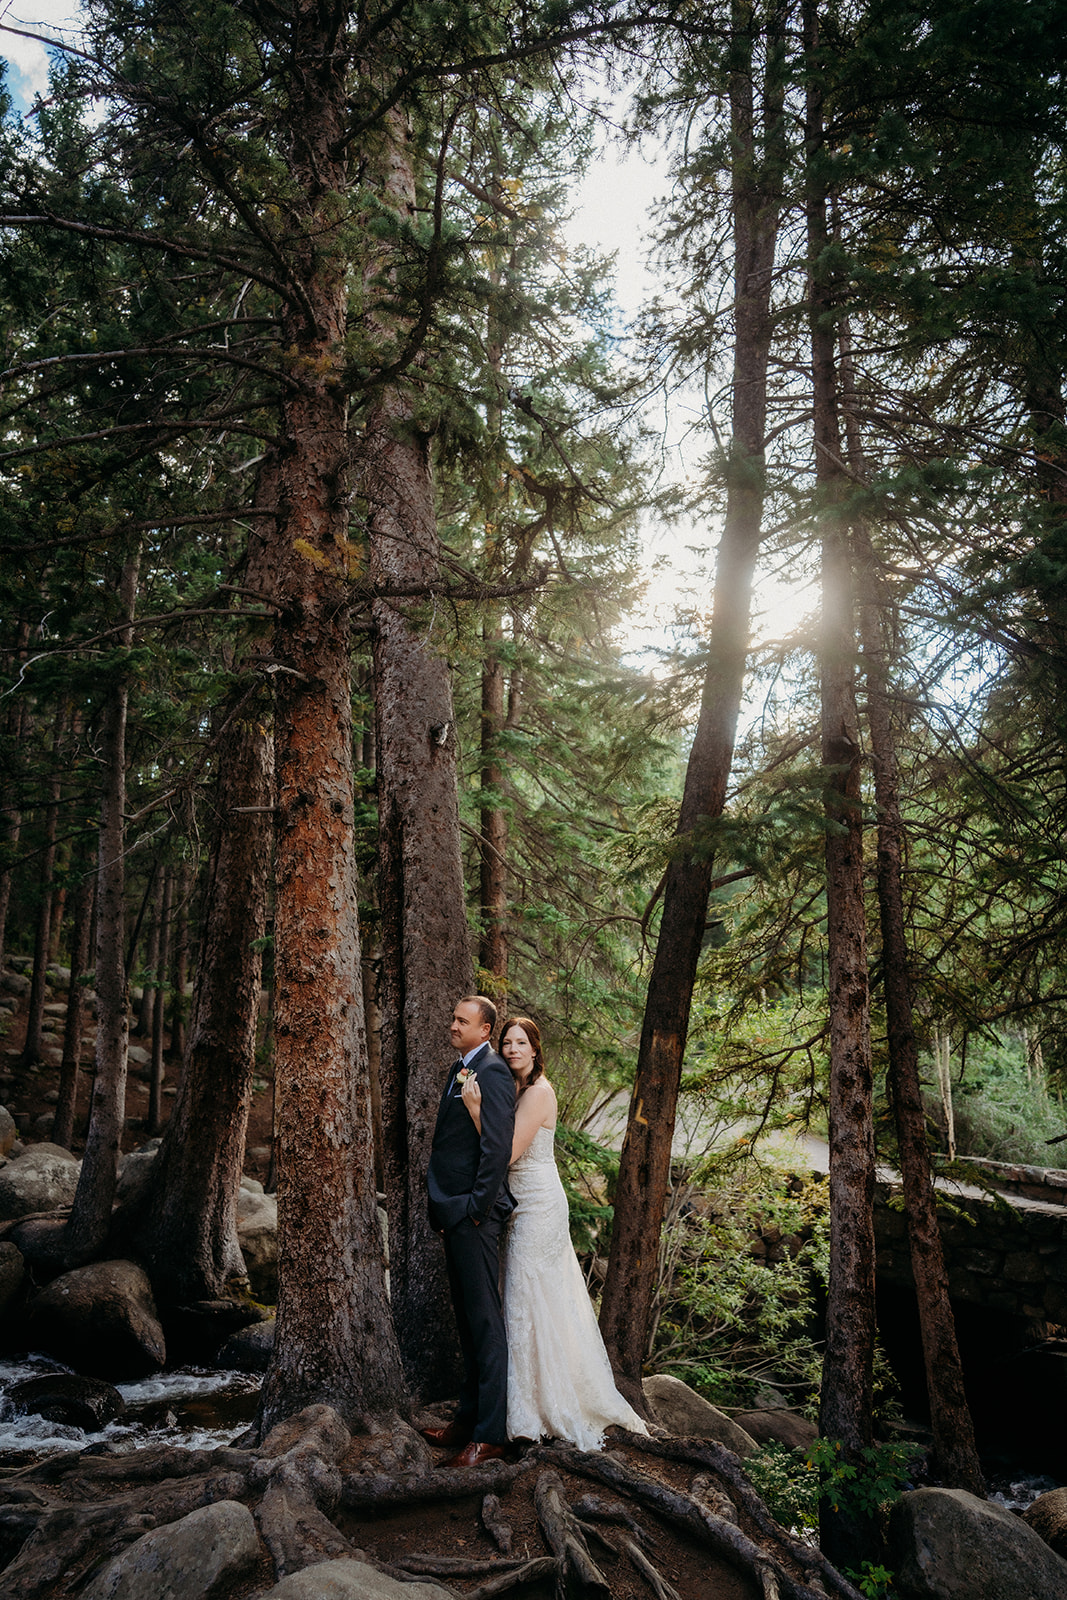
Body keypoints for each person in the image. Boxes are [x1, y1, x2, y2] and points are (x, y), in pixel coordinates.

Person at [462, 1015, 648, 1451]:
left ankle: (533, 1409)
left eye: (520, 1043)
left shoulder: (539, 1094)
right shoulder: (517, 1088)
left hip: (540, 1206)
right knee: (530, 1299)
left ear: (535, 1048)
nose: (511, 1050)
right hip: (521, 1205)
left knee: (524, 1297)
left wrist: (474, 1110)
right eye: (506, 1043)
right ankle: (527, 1399)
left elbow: (504, 1155)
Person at [424, 994, 516, 1467]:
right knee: (465, 1322)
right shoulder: (460, 1068)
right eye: (453, 1017)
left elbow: (497, 1149)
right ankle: (466, 1420)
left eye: (463, 1020)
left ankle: (490, 1435)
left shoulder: (494, 1072)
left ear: (485, 1030)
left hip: (473, 1216)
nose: (453, 1024)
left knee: (485, 1324)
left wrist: (475, 1211)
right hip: (454, 1213)